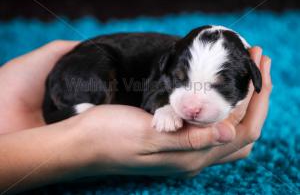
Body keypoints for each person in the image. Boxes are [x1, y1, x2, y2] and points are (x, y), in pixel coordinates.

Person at [0, 40, 272, 194]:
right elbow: (153, 96)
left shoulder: (197, 59)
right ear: (169, 67)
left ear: (252, 79)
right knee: (99, 67)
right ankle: (72, 110)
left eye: (219, 85)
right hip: (89, 67)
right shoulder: (171, 59)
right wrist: (82, 142)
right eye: (180, 81)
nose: (193, 105)